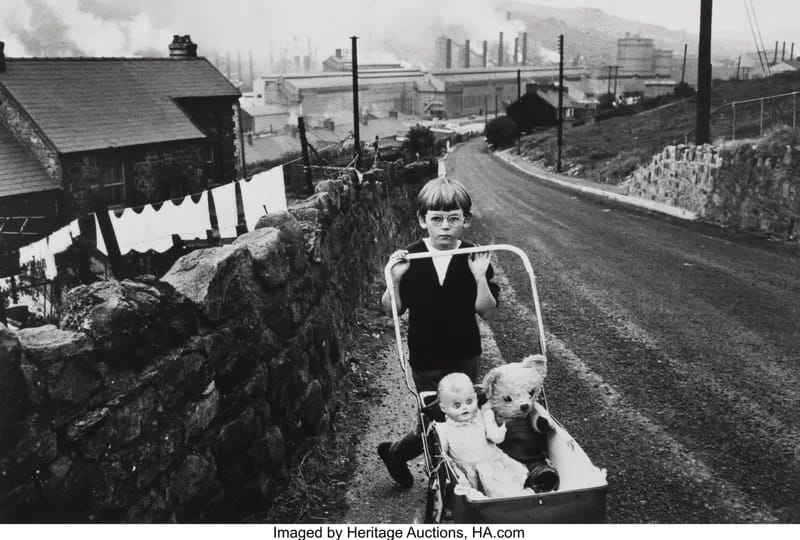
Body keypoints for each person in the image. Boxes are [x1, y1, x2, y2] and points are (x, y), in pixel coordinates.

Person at [377, 176, 500, 488]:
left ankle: (461, 477)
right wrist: (395, 279)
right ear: (422, 220)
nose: (445, 227)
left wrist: (479, 277)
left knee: (466, 416)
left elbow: (486, 309)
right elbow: (392, 309)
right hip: (426, 355)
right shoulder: (410, 256)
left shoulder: (474, 256)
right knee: (435, 419)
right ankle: (410, 461)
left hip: (465, 352)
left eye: (453, 219)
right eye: (436, 219)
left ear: (466, 220)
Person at [435, 373, 529, 498]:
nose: (465, 408)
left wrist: (499, 424)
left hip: (490, 465)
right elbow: (444, 455)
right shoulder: (444, 429)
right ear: (443, 408)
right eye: (457, 405)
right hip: (467, 470)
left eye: (469, 401)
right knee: (470, 495)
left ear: (475, 398)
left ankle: (521, 497)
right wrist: (455, 473)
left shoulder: (483, 415)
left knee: (506, 489)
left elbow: (497, 438)